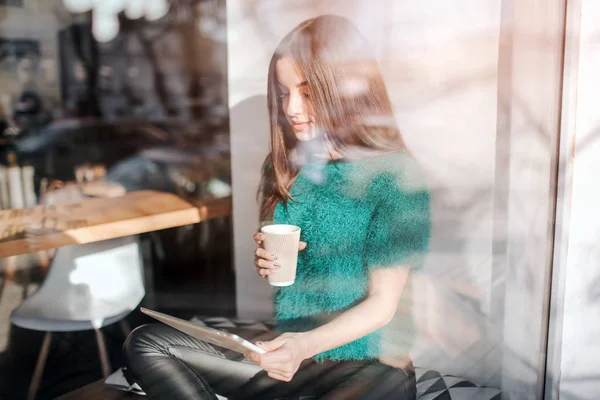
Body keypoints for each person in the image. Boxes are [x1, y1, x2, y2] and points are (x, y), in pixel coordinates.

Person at [124, 14, 431, 399]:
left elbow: (383, 305)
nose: (293, 108)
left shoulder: (394, 175)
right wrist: (267, 261)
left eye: (307, 91)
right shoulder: (285, 165)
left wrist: (304, 346)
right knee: (148, 343)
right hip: (290, 356)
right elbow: (288, 274)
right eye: (284, 93)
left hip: (370, 369)